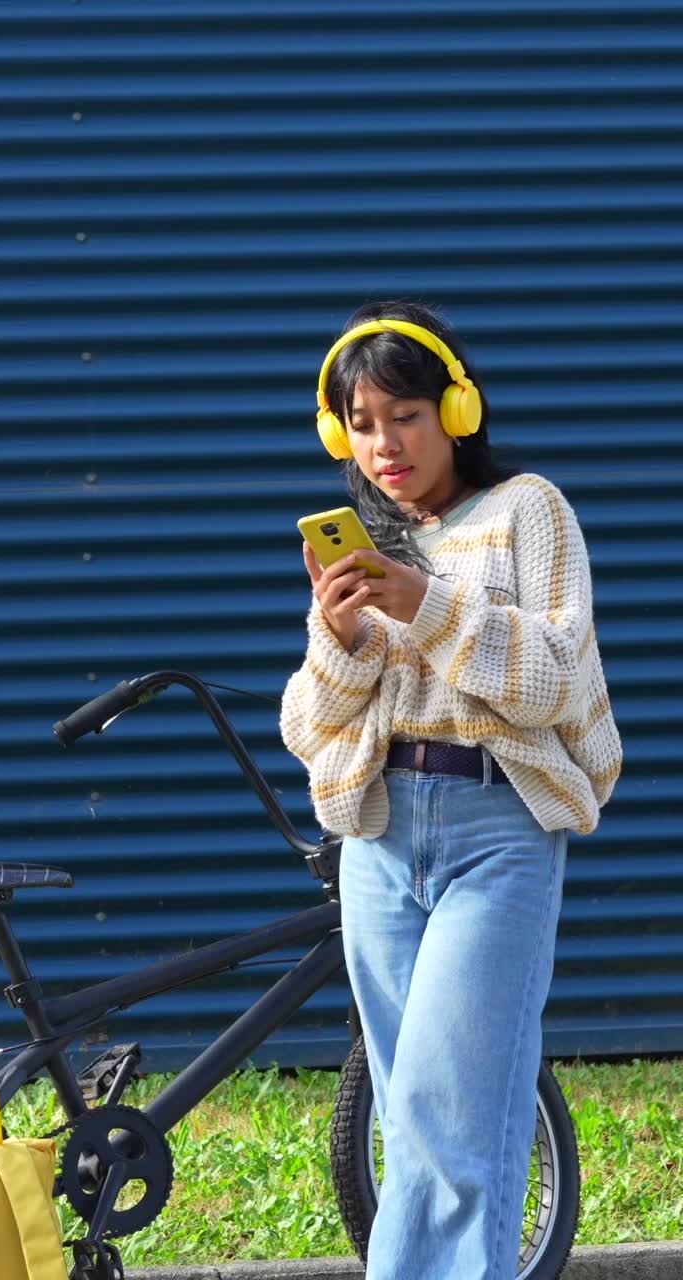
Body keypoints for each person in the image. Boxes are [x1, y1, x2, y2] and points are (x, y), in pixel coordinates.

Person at [280, 299, 623, 1279]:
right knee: (411, 1114)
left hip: (495, 826)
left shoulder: (529, 511)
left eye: (406, 416)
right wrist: (341, 641)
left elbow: (555, 679)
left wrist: (424, 604)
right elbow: (311, 726)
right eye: (363, 421)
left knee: (449, 1109)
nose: (382, 444)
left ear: (459, 410)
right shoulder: (365, 550)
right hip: (379, 837)